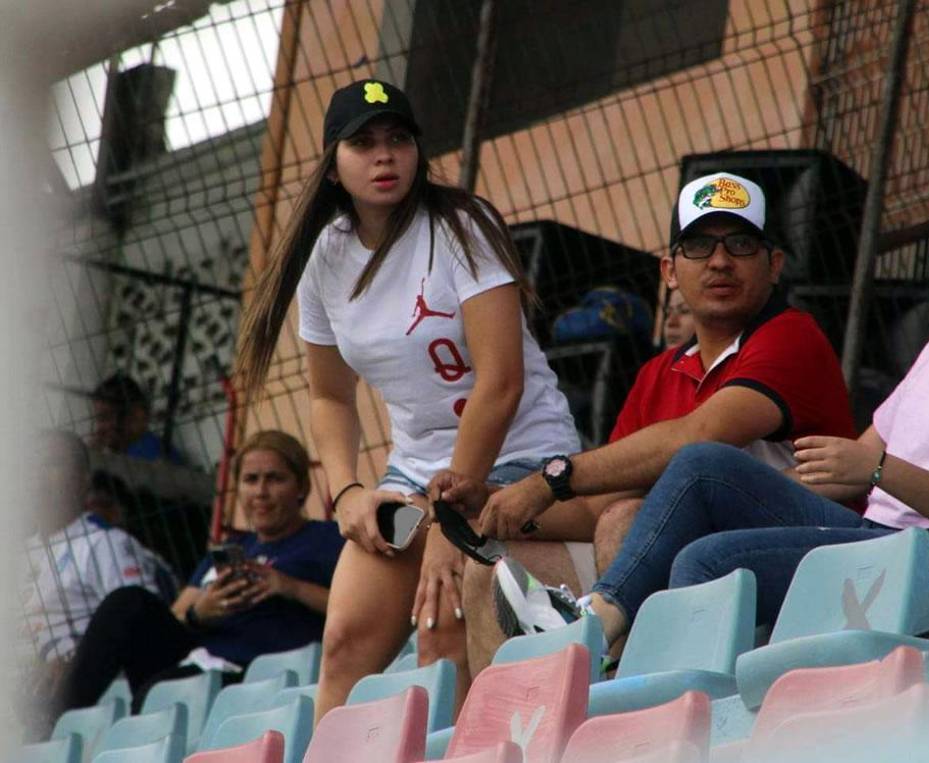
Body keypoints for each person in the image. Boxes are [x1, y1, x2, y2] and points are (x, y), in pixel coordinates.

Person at [496, 177, 929, 644]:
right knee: (703, 498)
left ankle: (600, 636)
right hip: (878, 537)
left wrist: (876, 472)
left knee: (706, 537)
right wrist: (768, 492)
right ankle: (606, 637)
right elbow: (851, 464)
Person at [232, 78, 582, 721]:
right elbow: (330, 397)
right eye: (363, 143)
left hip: (513, 458)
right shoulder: (325, 258)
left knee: (442, 627)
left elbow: (500, 383)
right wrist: (346, 493)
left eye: (398, 139)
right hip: (413, 477)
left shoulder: (459, 225)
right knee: (343, 643)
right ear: (333, 164)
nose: (384, 156)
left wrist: (451, 517)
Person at [447, 171, 856, 665]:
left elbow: (698, 436)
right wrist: (498, 507)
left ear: (774, 265)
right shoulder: (657, 374)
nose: (720, 262)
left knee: (630, 517)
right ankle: (520, 727)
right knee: (495, 569)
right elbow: (595, 507)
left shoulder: (792, 336)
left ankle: (627, 693)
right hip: (684, 564)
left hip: (807, 557)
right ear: (668, 269)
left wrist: (549, 480)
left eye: (741, 244)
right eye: (700, 245)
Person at [55, 430, 344, 712]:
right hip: (198, 660)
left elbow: (359, 608)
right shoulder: (230, 549)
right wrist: (200, 612)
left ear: (302, 487)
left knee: (160, 689)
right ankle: (56, 716)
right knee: (127, 603)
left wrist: (290, 587)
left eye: (275, 479)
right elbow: (177, 615)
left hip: (260, 671)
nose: (261, 492)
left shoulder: (326, 539)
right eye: (250, 480)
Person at [23, 431, 175, 666]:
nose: (38, 477)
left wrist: (73, 665)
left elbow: (144, 627)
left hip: (82, 688)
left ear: (83, 480)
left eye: (52, 464)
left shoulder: (103, 544)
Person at [90, 373, 183, 463]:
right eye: (99, 419)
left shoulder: (146, 452)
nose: (99, 429)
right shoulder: (131, 450)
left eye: (105, 418)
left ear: (136, 415)